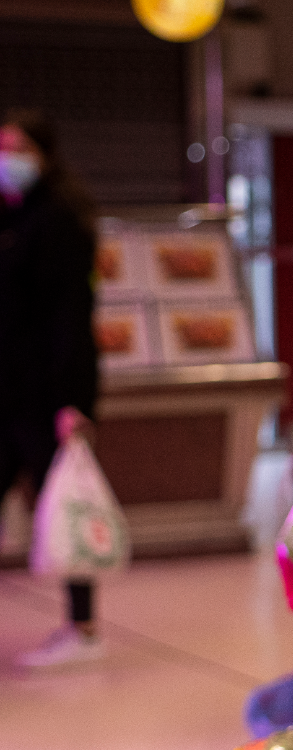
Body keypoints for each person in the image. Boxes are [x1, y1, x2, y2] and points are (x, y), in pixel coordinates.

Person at [0, 110, 103, 667]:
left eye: (17, 149)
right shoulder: (13, 215)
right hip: (10, 390)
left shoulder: (59, 218)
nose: (6, 161)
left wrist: (73, 401)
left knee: (65, 506)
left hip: (45, 393)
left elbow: (69, 317)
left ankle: (82, 627)